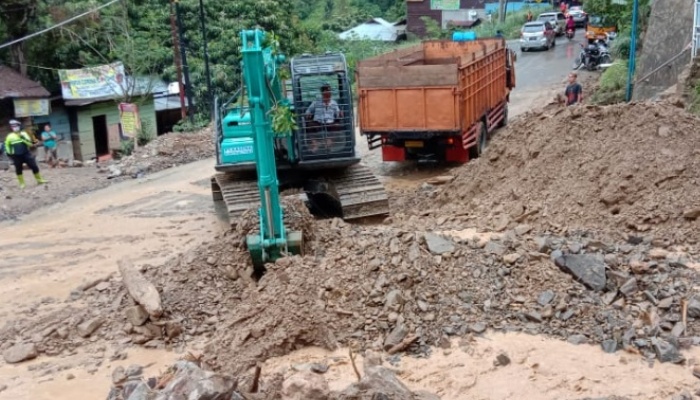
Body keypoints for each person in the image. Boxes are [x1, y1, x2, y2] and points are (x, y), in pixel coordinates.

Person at [4, 119, 47, 189]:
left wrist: (22, 138)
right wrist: (9, 154)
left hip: (26, 153)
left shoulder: (24, 134)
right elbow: (7, 145)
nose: (14, 127)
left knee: (34, 166)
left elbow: (30, 144)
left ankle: (39, 180)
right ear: (11, 128)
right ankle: (22, 184)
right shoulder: (9, 136)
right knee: (18, 169)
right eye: (13, 126)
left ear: (19, 126)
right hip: (16, 155)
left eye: (16, 126)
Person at [304, 83, 344, 153]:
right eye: (326, 91)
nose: (328, 93)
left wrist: (340, 113)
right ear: (322, 92)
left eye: (329, 91)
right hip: (318, 123)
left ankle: (328, 143)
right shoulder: (316, 102)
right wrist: (308, 113)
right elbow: (308, 110)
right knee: (309, 125)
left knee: (338, 125)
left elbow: (337, 114)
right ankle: (315, 144)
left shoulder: (334, 103)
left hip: (330, 123)